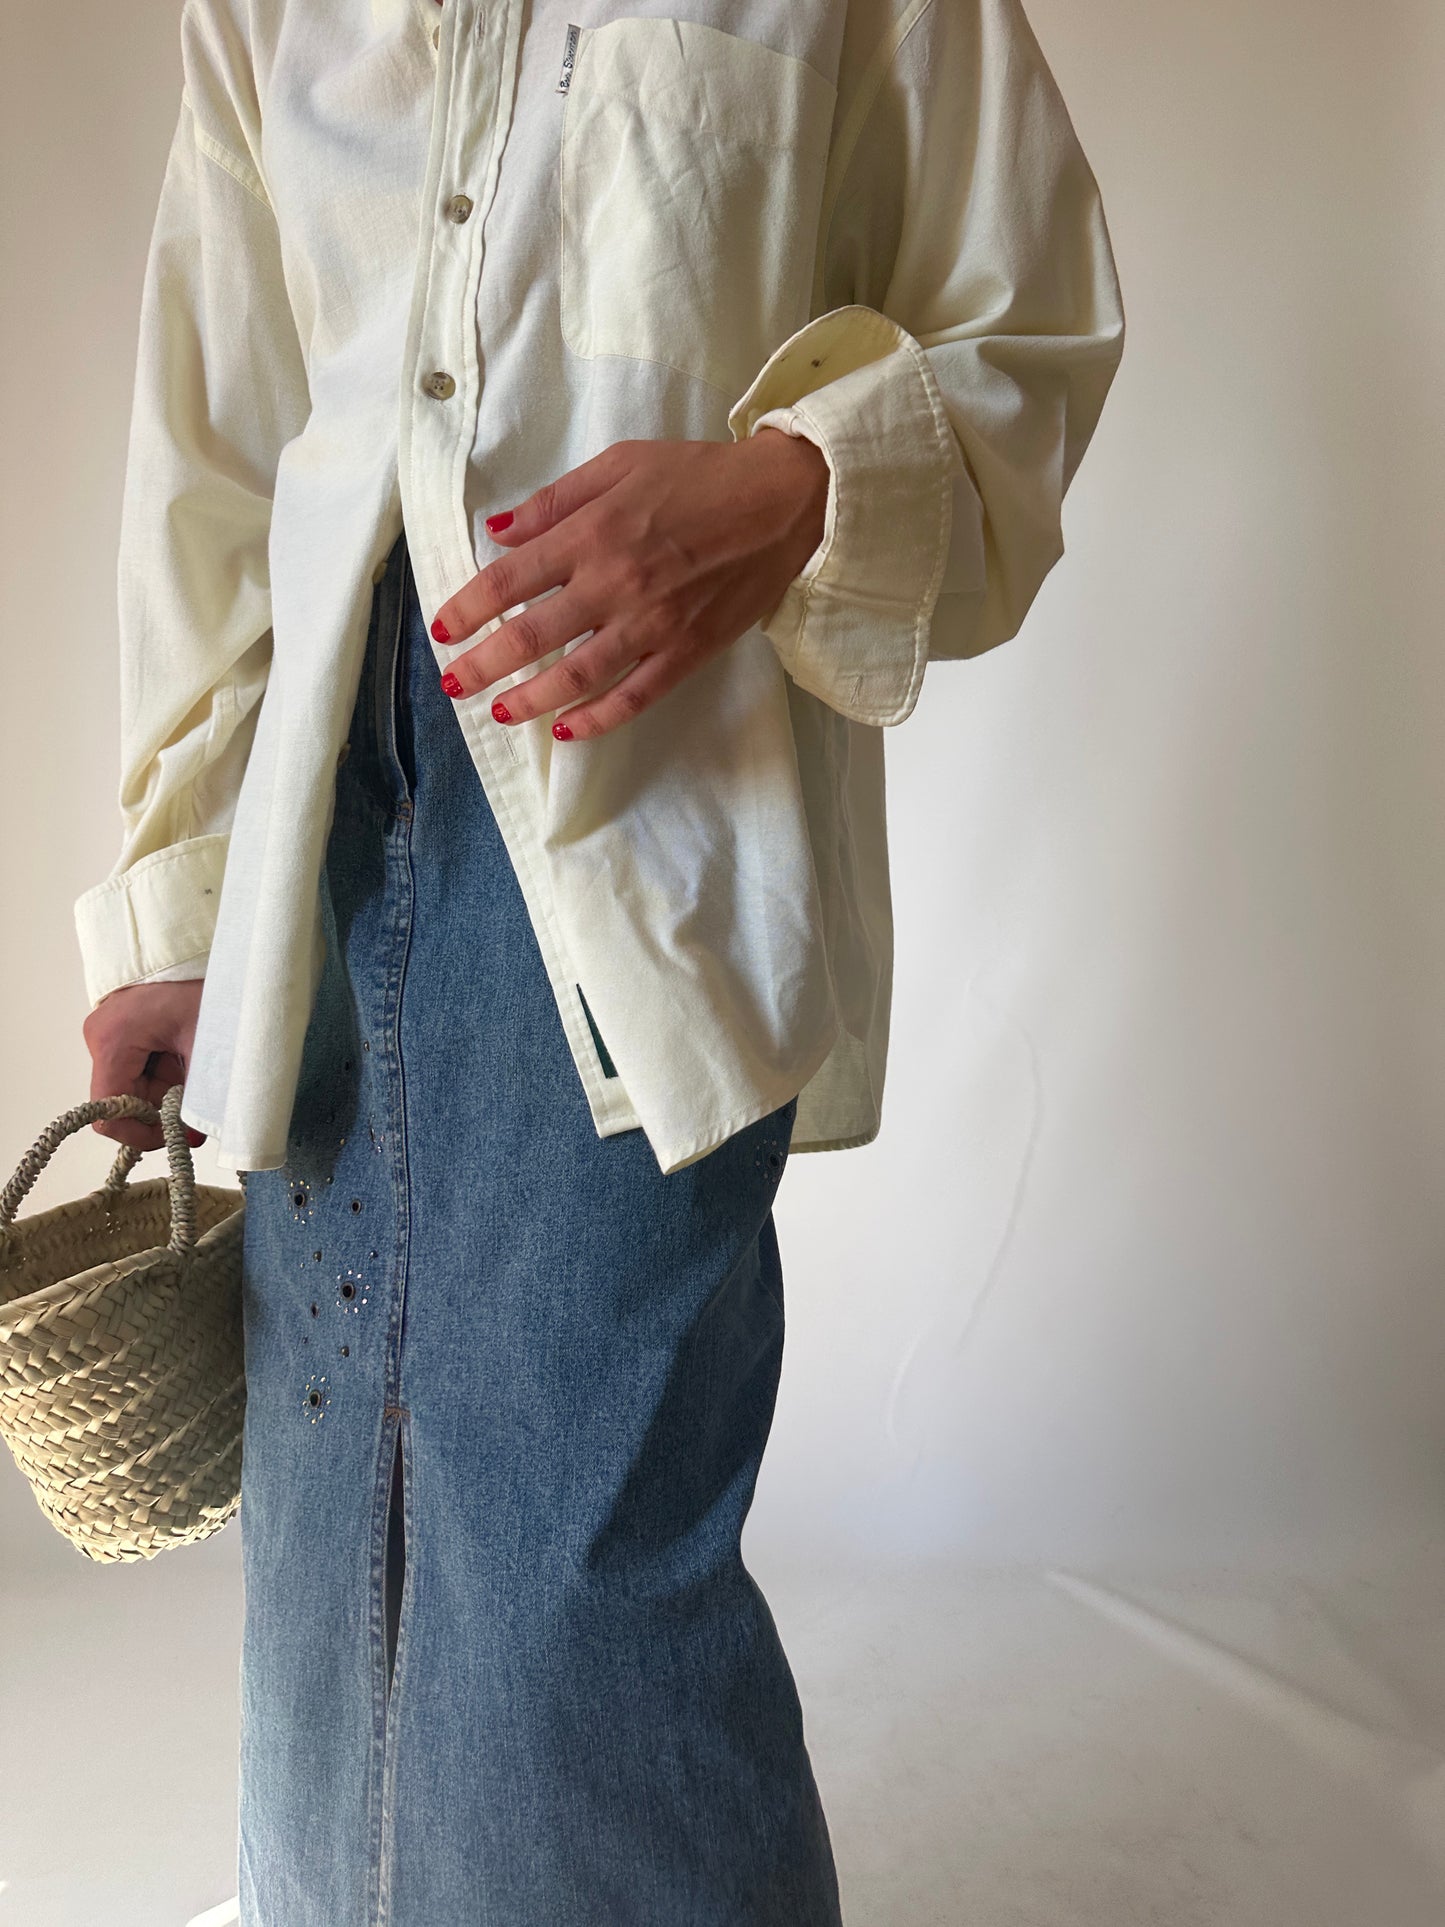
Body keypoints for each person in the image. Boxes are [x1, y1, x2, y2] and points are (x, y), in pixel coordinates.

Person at [77, 0, 1124, 1920]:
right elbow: (219, 458)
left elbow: (1028, 330)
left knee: (580, 1547)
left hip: (642, 806)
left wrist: (792, 489)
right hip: (320, 806)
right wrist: (179, 903)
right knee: (333, 1500)